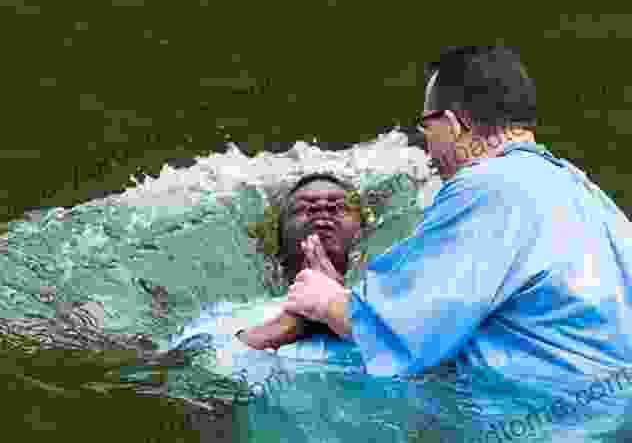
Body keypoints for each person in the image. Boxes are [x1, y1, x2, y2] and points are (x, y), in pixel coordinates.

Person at [270, 45, 632, 390]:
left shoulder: (487, 186)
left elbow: (412, 331)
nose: (427, 148)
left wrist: (327, 301)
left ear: (452, 124)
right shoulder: (584, 190)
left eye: (426, 129)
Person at [236, 172, 366, 350]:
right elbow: (205, 357)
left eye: (338, 206)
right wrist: (289, 323)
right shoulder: (242, 314)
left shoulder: (392, 300)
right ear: (278, 246)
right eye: (306, 208)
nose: (322, 209)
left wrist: (333, 305)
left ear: (364, 235)